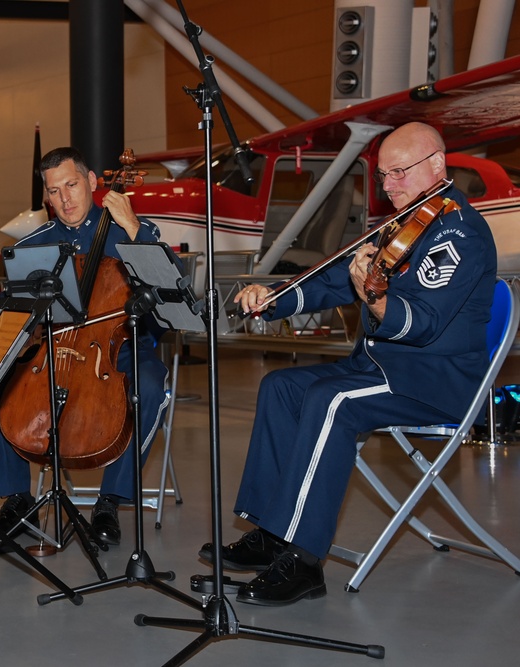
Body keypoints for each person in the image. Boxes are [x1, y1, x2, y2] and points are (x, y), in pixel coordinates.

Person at [201, 122, 497, 606]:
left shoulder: (459, 232)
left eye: (399, 173)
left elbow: (420, 323)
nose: (389, 186)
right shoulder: (405, 222)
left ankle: (304, 560)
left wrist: (374, 299)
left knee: (332, 400)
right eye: (383, 176)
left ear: (438, 165)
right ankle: (272, 532)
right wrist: (273, 299)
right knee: (281, 387)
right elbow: (335, 280)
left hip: (433, 379)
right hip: (382, 370)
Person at [0, 147, 170, 546]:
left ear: (92, 183)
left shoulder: (128, 228)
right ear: (46, 197)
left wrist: (136, 229)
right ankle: (17, 498)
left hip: (119, 350)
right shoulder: (36, 244)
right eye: (54, 191)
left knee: (151, 386)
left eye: (72, 185)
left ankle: (109, 501)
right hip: (56, 348)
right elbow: (17, 315)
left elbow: (173, 286)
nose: (65, 199)